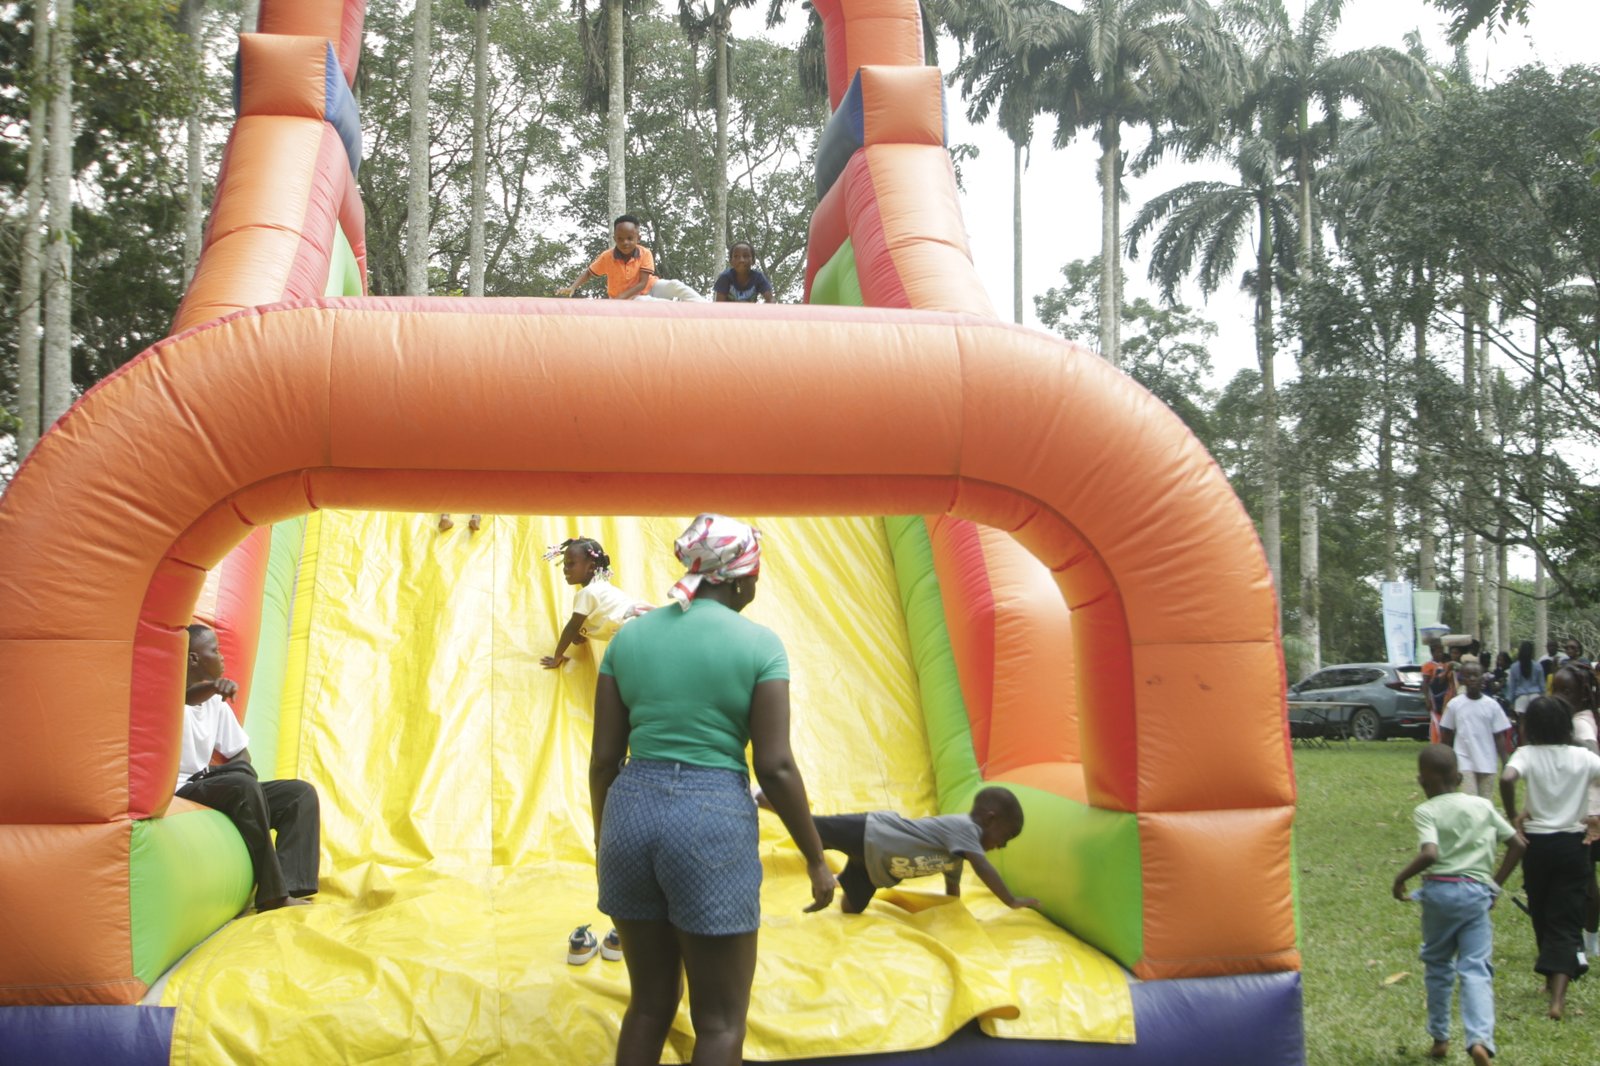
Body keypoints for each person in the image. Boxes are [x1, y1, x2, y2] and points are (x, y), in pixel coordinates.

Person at [589, 514, 835, 1066]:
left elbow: (604, 760)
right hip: (711, 818)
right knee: (720, 1024)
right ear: (739, 578)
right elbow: (774, 767)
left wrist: (606, 840)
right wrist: (816, 859)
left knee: (649, 1006)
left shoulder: (630, 638)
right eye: (756, 574)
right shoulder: (760, 645)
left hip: (629, 813)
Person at [1393, 744, 1524, 1065]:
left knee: (1438, 965)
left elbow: (1430, 854)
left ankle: (1440, 1038)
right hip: (1477, 894)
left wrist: (1400, 878)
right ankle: (1479, 1039)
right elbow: (1518, 844)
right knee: (1476, 968)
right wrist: (1495, 885)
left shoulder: (1427, 810)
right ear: (1461, 776)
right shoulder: (1482, 805)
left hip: (1439, 894)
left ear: (1422, 781)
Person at [176, 623, 320, 912]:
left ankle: (293, 883)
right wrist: (212, 688)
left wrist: (231, 773)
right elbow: (184, 696)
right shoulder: (168, 692)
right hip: (182, 789)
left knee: (299, 794)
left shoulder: (216, 704)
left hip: (210, 784)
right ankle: (272, 895)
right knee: (242, 785)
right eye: (215, 650)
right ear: (193, 658)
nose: (222, 657)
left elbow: (241, 756)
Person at [756, 786, 1039, 914]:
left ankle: (845, 879)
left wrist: (957, 915)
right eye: (1006, 836)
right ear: (990, 819)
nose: (1001, 845)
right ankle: (765, 797)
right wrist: (1010, 900)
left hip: (873, 868)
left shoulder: (956, 858)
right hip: (873, 833)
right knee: (809, 827)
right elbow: (984, 868)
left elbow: (952, 895)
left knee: (851, 909)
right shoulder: (965, 829)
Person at [1500, 696, 1600, 1020]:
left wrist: (1514, 814)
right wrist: (1596, 816)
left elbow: (1506, 779)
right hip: (1574, 845)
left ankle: (1550, 986)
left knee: (1540, 911)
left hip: (1537, 846)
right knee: (1567, 919)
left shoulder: (1526, 754)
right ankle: (1556, 998)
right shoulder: (1583, 756)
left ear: (1532, 727)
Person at [540, 536, 653, 669]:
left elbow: (572, 627)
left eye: (571, 564)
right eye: (564, 564)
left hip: (631, 629)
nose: (565, 569)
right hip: (646, 621)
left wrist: (557, 656)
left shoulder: (587, 593)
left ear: (591, 567)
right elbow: (591, 619)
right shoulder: (604, 588)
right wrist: (581, 633)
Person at [1551, 664, 1600, 959]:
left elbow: (1593, 755)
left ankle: (1589, 940)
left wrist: (1566, 739)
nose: (1558, 697)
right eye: (1555, 690)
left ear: (1582, 694)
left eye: (1565, 691)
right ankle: (1589, 939)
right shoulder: (1580, 717)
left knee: (1584, 882)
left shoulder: (1579, 723)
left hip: (1589, 813)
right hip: (1584, 810)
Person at [558, 214, 704, 302]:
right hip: (630, 298)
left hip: (649, 287)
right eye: (620, 239)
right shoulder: (607, 257)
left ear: (638, 238)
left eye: (629, 238)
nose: (625, 243)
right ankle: (679, 310)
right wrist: (573, 287)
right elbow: (589, 272)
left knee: (675, 284)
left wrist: (621, 297)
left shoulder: (644, 253)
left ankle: (704, 306)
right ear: (615, 238)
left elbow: (642, 283)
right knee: (645, 301)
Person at [1439, 662, 1513, 800]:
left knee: (1485, 802)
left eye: (1476, 675)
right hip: (1464, 760)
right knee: (1469, 800)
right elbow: (1447, 735)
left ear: (1483, 678)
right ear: (1462, 679)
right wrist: (1444, 760)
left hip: (1487, 761)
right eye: (1468, 676)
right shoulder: (1455, 704)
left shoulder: (1492, 706)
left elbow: (1499, 736)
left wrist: (1505, 762)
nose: (1472, 679)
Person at [1423, 641, 1456, 743]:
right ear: (1432, 653)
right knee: (1436, 720)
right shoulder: (1427, 666)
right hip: (1434, 697)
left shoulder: (1445, 665)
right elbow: (1425, 684)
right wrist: (1427, 699)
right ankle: (1435, 741)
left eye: (1441, 652)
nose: (1440, 654)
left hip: (1445, 696)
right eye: (1438, 652)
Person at [1505, 640, 1546, 720]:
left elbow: (1512, 687)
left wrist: (1510, 702)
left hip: (1521, 698)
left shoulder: (1514, 667)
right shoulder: (1538, 666)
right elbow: (1542, 686)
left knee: (1522, 724)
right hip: (1535, 697)